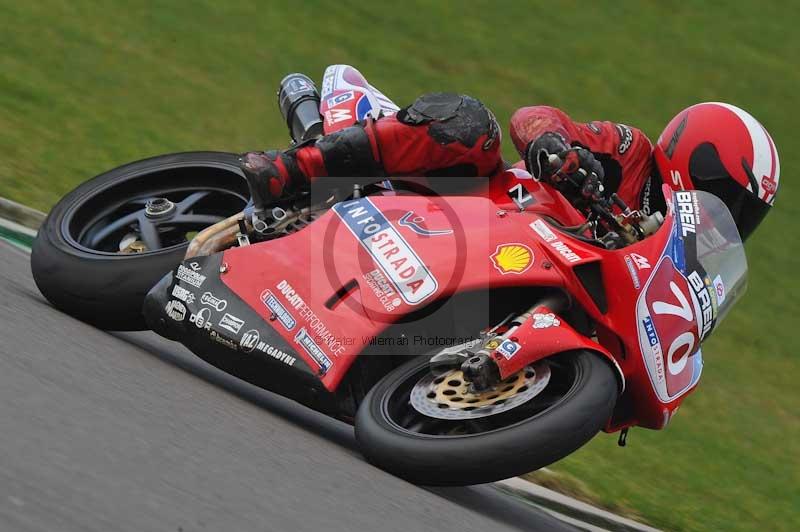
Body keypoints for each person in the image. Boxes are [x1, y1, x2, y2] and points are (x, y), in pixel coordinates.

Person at [240, 67, 780, 241]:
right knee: (476, 125)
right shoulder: (631, 153)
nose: (729, 220)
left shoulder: (683, 266)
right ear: (698, 161)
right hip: (484, 205)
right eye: (730, 199)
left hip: (512, 266)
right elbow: (536, 118)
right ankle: (293, 168)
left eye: (745, 214)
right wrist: (555, 148)